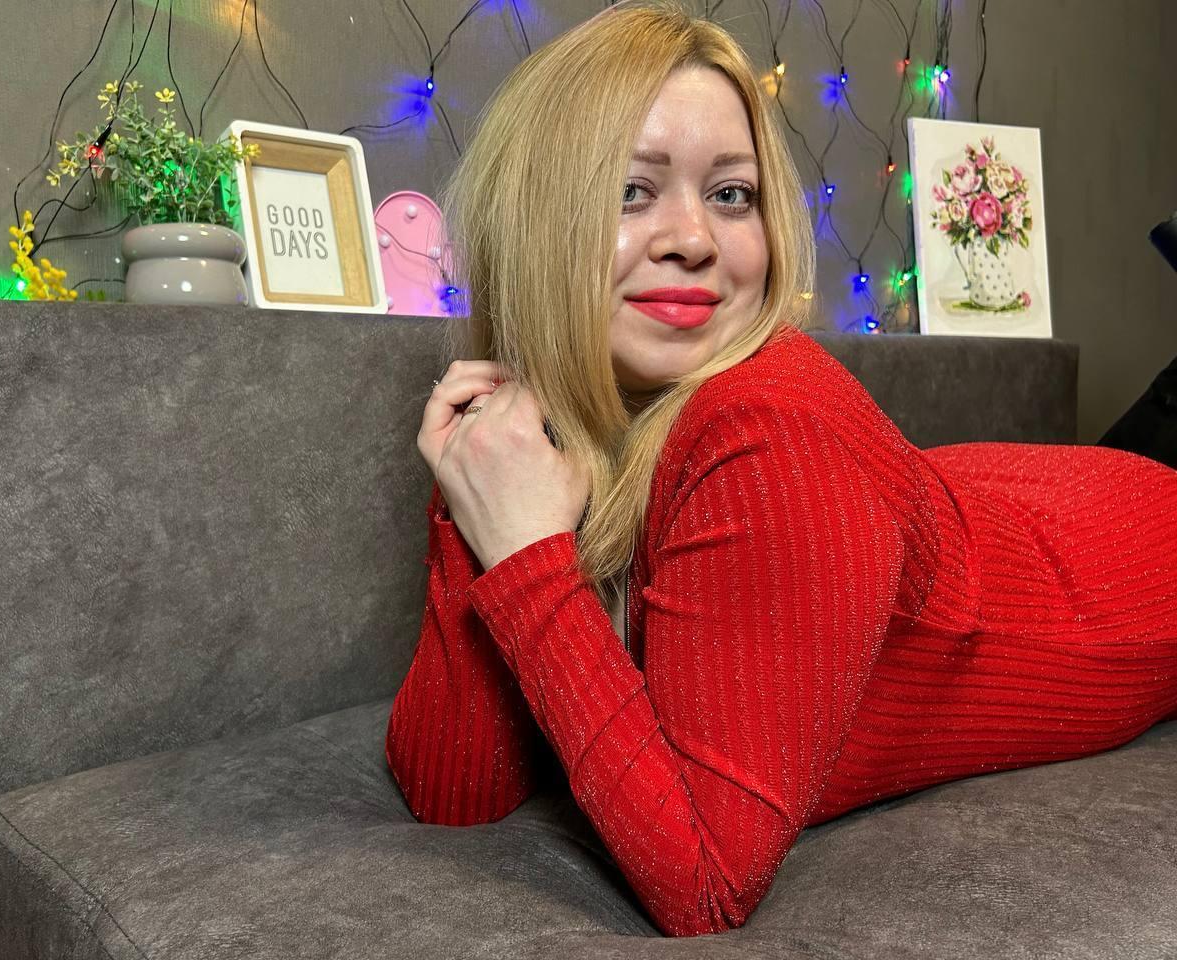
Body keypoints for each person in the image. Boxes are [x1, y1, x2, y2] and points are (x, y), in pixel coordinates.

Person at [385, 0, 1177, 938]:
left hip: (1118, 564)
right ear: (533, 223)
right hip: (978, 495)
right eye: (632, 190)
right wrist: (476, 495)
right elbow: (454, 794)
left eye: (732, 195)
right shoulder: (557, 418)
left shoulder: (770, 434)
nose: (694, 239)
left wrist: (526, 560)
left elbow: (705, 886)